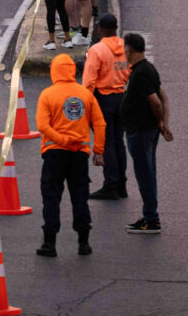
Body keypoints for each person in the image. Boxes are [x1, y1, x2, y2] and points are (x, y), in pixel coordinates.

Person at [35, 53, 106, 258]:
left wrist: (62, 140)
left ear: (54, 70)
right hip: (79, 155)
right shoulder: (85, 94)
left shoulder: (47, 94)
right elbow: (100, 123)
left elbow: (42, 126)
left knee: (51, 197)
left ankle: (50, 243)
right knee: (80, 197)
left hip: (54, 154)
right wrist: (98, 151)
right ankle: (84, 243)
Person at [121, 32, 172, 234]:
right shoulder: (149, 69)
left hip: (140, 132)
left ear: (128, 49)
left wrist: (160, 121)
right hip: (148, 131)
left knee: (145, 176)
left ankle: (152, 219)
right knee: (148, 174)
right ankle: (149, 215)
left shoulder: (141, 73)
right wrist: (163, 125)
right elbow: (165, 99)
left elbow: (157, 102)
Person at [81, 14, 129, 200]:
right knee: (118, 142)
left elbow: (89, 81)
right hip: (121, 96)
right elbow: (128, 71)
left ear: (100, 29)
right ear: (115, 28)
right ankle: (121, 185)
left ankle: (110, 185)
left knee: (107, 142)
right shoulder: (125, 46)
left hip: (103, 99)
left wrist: (86, 105)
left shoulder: (97, 50)